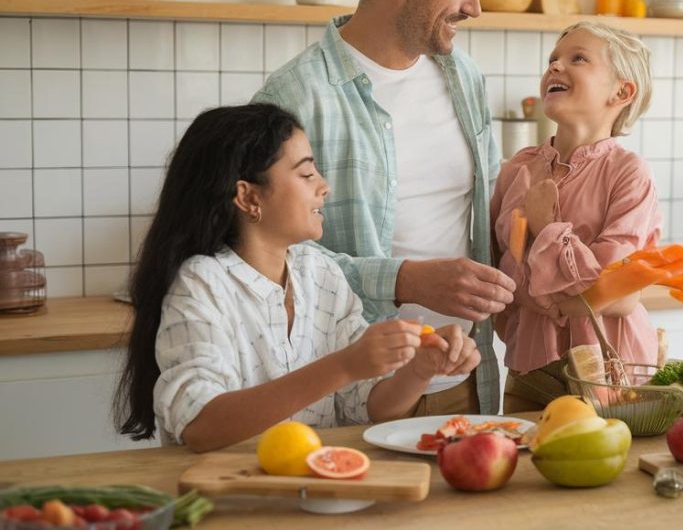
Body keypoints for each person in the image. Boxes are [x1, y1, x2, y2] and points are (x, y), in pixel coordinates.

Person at [252, 0, 513, 415]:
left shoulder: (465, 78)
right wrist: (406, 280)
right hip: (352, 393)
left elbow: (487, 217)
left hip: (465, 382)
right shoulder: (294, 98)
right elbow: (267, 259)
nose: (475, 7)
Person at [113, 105, 479, 451]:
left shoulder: (319, 274)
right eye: (306, 174)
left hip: (314, 492)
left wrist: (418, 371)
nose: (324, 186)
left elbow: (368, 407)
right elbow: (200, 425)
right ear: (248, 197)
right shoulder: (202, 285)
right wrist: (344, 364)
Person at [490, 22, 660, 412]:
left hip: (611, 373)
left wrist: (546, 228)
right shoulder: (517, 169)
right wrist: (561, 300)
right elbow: (502, 275)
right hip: (528, 367)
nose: (555, 67)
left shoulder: (629, 172)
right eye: (552, 60)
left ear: (622, 91)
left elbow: (616, 292)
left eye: (577, 58)